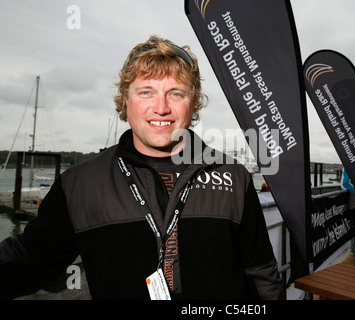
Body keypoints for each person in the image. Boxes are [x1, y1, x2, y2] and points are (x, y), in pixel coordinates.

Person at [0, 36, 284, 300]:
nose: (161, 108)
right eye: (146, 92)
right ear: (126, 99)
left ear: (193, 101)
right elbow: (29, 259)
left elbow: (261, 273)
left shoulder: (234, 176)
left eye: (175, 94)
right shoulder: (79, 183)